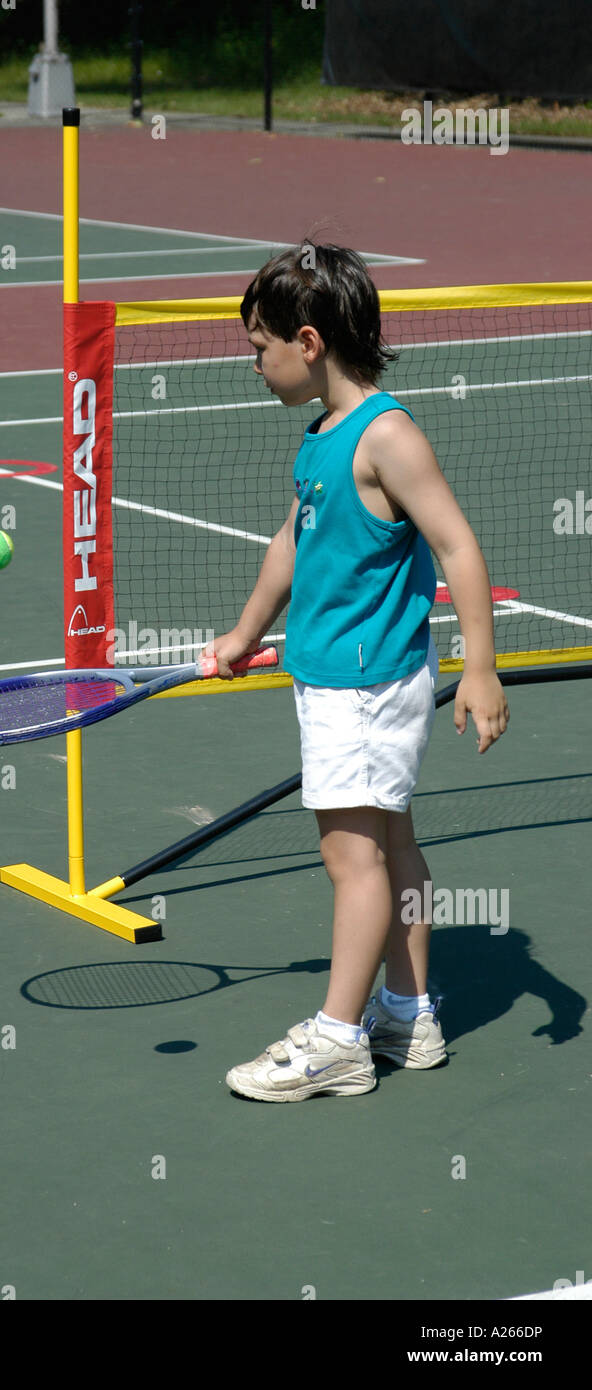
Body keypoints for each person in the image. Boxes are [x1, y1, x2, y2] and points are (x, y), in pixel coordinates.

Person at [210, 242, 509, 1102]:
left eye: (259, 347)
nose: (254, 365)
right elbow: (294, 543)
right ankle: (409, 1015)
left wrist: (481, 669)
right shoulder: (323, 438)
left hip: (365, 687)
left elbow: (458, 544)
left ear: (308, 343)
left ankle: (338, 1041)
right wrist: (243, 632)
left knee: (352, 861)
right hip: (347, 681)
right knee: (392, 845)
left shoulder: (387, 436)